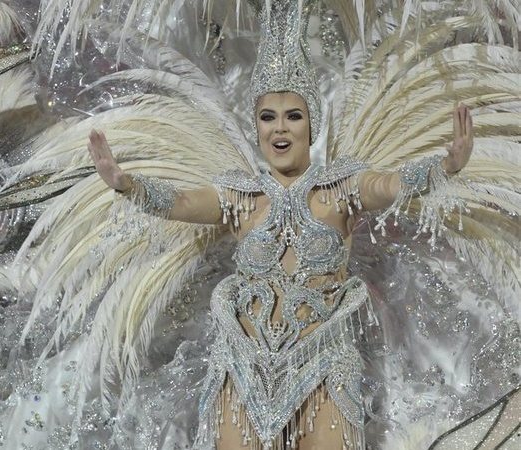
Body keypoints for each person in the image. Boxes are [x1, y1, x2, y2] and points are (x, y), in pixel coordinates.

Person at [86, 88, 473, 448]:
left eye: (294, 116)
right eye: (268, 118)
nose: (280, 128)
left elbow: (389, 185)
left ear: (311, 126)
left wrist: (444, 167)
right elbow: (181, 202)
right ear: (257, 129)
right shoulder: (239, 196)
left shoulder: (342, 189)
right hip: (243, 368)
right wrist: (127, 185)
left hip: (323, 365)